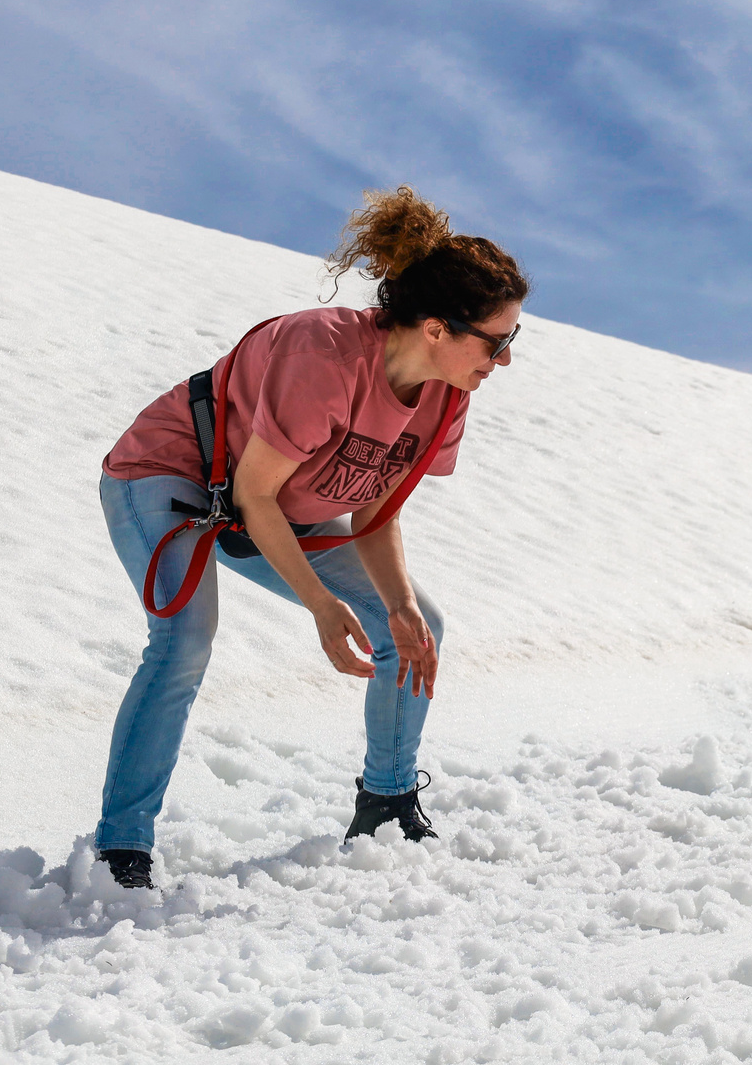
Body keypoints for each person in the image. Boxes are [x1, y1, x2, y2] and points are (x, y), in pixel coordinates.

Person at [93, 187, 528, 888]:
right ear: (438, 329)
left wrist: (399, 605)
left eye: (514, 340)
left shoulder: (448, 398)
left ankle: (386, 802)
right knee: (184, 640)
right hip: (174, 479)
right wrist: (324, 609)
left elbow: (374, 511)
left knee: (417, 626)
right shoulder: (324, 353)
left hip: (275, 510)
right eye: (497, 341)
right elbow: (254, 495)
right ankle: (122, 851)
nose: (504, 359)